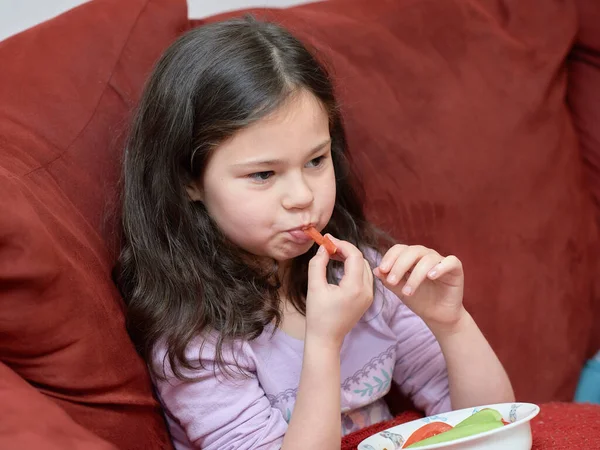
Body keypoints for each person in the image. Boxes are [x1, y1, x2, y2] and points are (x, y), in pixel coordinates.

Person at [114, 16, 514, 450]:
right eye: (264, 174)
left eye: (316, 161)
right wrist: (324, 343)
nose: (302, 196)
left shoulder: (361, 275)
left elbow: (489, 425)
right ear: (188, 181)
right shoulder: (197, 342)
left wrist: (450, 322)